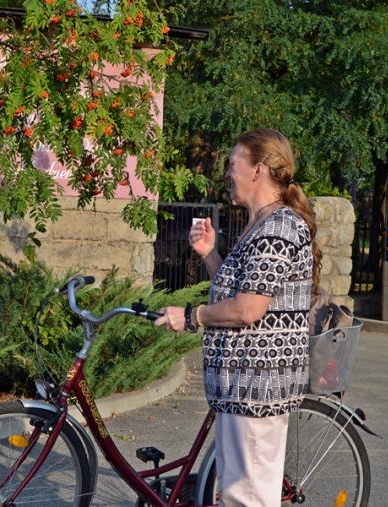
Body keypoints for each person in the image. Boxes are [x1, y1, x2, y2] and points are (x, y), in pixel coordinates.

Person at [154, 128, 320, 507]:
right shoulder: (259, 223)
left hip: (257, 386)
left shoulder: (278, 228)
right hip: (240, 387)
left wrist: (193, 315)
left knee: (249, 499)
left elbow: (247, 309)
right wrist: (210, 254)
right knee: (237, 494)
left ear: (258, 169)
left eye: (233, 163)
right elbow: (239, 295)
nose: (228, 172)